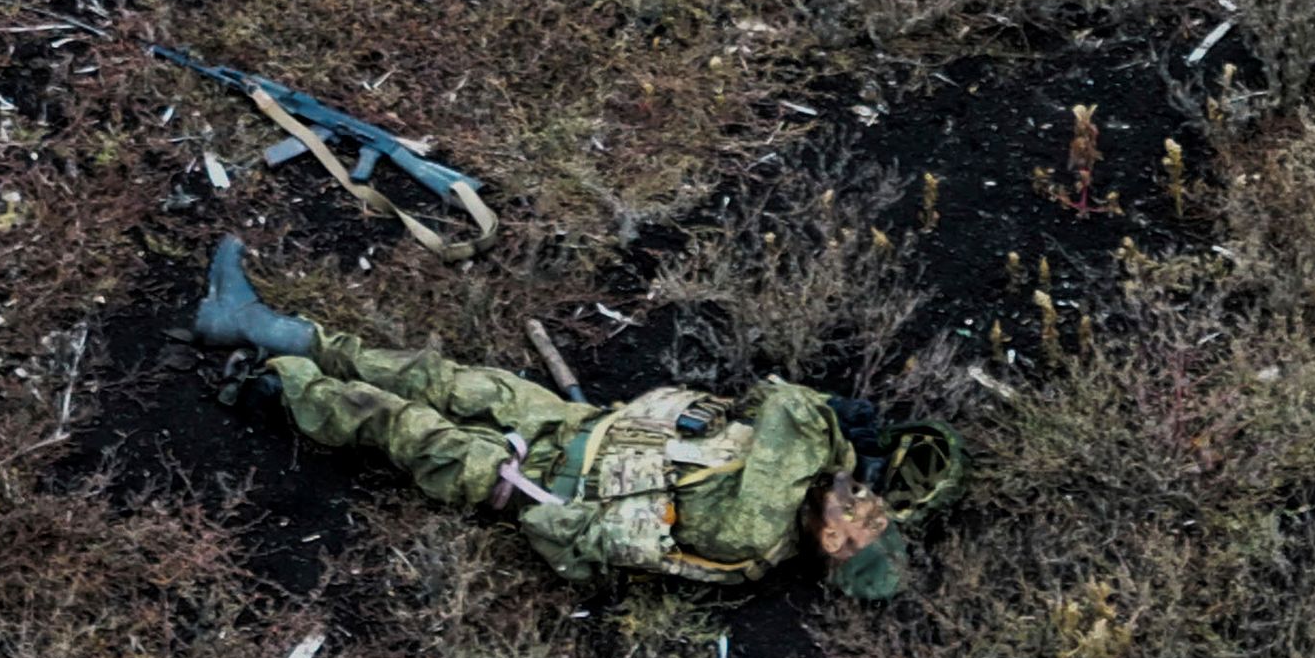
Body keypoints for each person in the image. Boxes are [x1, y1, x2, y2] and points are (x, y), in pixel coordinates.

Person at [191, 238, 957, 596]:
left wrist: (839, 431)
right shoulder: (795, 481)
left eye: (855, 521)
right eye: (871, 503)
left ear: (827, 545)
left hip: (527, 479)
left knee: (397, 424)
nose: (856, 500)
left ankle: (264, 382)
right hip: (570, 427)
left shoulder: (760, 522)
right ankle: (262, 325)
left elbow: (789, 405)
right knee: (437, 376)